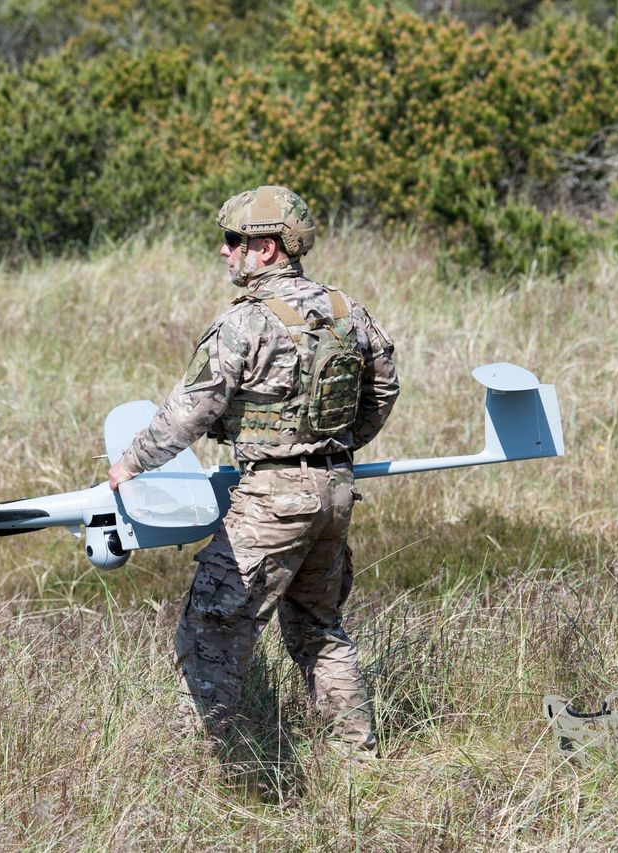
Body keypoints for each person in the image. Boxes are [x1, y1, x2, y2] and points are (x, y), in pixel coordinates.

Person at [107, 185, 399, 760]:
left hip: (272, 500)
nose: (224, 250)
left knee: (212, 629)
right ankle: (356, 760)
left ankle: (212, 763)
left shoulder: (244, 323)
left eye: (232, 239)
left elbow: (192, 410)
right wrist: (336, 448)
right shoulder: (348, 312)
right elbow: (384, 390)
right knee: (319, 627)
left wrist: (130, 463)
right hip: (337, 491)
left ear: (266, 248)